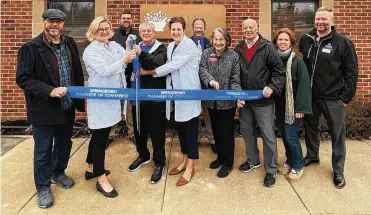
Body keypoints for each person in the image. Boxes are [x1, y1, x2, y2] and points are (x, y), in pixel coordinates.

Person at [16, 9, 85, 208]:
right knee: (43, 150)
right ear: (44, 22)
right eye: (51, 21)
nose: (55, 25)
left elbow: (76, 72)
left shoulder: (69, 42)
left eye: (59, 22)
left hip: (67, 105)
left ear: (63, 24)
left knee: (64, 144)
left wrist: (79, 95)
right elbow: (23, 78)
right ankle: (43, 187)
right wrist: (49, 91)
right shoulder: (31, 47)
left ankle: (58, 173)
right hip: (45, 107)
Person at [299, 6, 358, 189]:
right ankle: (312, 155)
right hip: (311, 96)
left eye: (324, 19)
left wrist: (345, 98)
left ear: (331, 21)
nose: (320, 23)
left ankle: (338, 169)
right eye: (318, 19)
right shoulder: (306, 39)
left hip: (333, 98)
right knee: (311, 128)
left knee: (337, 134)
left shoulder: (342, 42)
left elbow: (351, 72)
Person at [141, 17, 201, 186]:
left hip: (188, 94)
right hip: (175, 94)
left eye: (178, 29)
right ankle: (183, 161)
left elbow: (173, 65)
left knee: (190, 131)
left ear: (184, 29)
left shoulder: (189, 46)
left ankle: (190, 167)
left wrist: (149, 72)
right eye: (173, 29)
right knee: (181, 130)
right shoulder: (172, 45)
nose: (175, 32)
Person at [83, 16, 136, 198]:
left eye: (107, 28)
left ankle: (90, 167)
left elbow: (125, 53)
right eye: (100, 29)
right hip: (100, 100)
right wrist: (124, 61)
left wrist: (129, 46)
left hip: (113, 98)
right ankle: (100, 178)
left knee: (100, 134)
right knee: (100, 139)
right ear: (93, 31)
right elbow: (105, 70)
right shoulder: (91, 51)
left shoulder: (112, 45)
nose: (104, 31)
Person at [235, 18, 285, 188]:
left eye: (251, 27)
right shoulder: (239, 48)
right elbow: (235, 75)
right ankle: (253, 160)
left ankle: (271, 169)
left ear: (257, 28)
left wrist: (272, 87)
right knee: (247, 132)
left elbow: (279, 72)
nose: (248, 30)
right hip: (245, 102)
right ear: (242, 29)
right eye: (245, 27)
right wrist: (237, 94)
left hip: (264, 101)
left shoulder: (267, 47)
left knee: (268, 135)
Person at [126, 22, 168, 184]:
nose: (146, 33)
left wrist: (141, 53)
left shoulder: (161, 48)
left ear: (154, 32)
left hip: (154, 96)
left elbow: (155, 64)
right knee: (138, 128)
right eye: (143, 31)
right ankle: (143, 155)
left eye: (149, 30)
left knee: (156, 131)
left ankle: (159, 162)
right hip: (137, 94)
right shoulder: (134, 47)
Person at [199, 28, 241, 178]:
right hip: (211, 102)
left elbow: (235, 79)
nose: (218, 42)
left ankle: (228, 163)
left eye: (221, 39)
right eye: (216, 39)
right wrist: (210, 80)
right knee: (216, 131)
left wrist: (237, 95)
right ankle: (220, 158)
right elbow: (202, 69)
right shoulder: (207, 53)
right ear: (212, 40)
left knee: (226, 133)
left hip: (227, 104)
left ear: (226, 41)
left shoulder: (233, 56)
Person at [272, 28, 312, 182]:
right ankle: (289, 161)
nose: (282, 42)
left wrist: (301, 109)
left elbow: (304, 85)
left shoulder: (297, 61)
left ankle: (298, 166)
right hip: (279, 106)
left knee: (291, 136)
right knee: (284, 135)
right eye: (280, 39)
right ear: (276, 41)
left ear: (291, 43)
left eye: (285, 40)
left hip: (293, 107)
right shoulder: (274, 59)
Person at [110, 9, 142, 146]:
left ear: (132, 20)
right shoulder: (113, 35)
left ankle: (131, 133)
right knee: (114, 103)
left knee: (130, 106)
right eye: (124, 18)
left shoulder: (137, 35)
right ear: (120, 19)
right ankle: (110, 134)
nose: (126, 20)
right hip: (116, 74)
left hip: (131, 75)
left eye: (129, 18)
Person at [191, 17, 216, 153]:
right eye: (196, 26)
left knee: (208, 114)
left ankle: (212, 140)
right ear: (193, 28)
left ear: (204, 28)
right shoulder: (186, 43)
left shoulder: (210, 44)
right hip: (192, 84)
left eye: (201, 27)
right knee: (193, 114)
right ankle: (195, 139)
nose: (199, 29)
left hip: (206, 85)